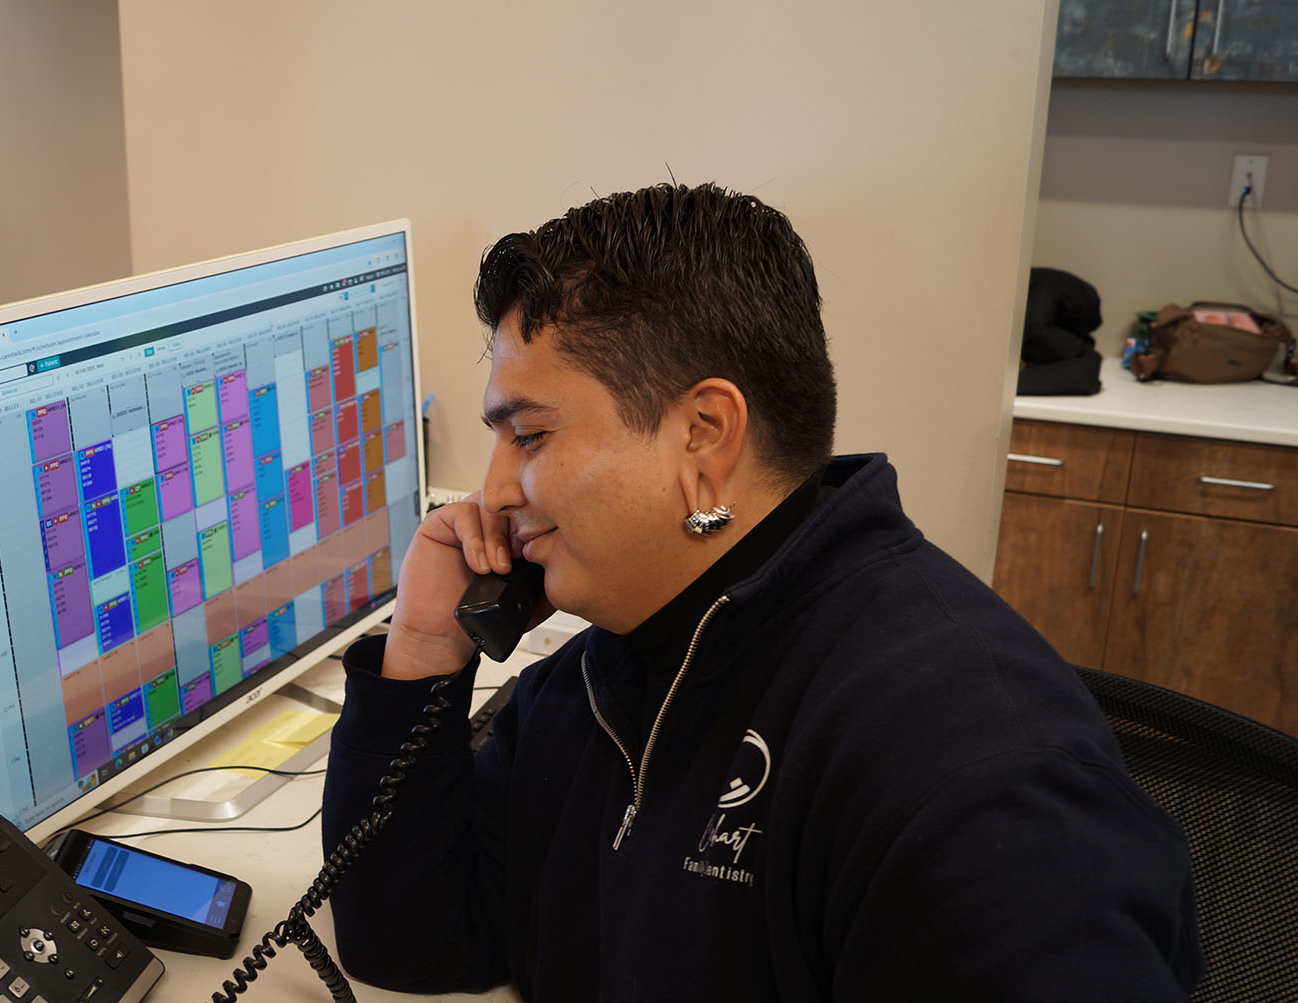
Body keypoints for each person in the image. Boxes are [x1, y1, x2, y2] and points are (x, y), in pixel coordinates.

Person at [319, 183, 1203, 1000]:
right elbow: (413, 940)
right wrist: (426, 651)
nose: (496, 492)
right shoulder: (605, 674)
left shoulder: (973, 767)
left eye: (531, 436)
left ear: (704, 434)